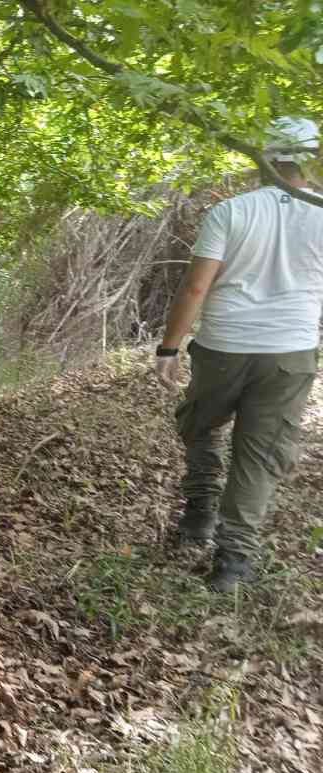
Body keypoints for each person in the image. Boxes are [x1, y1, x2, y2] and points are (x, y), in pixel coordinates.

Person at [155, 116, 321, 592]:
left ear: (264, 157)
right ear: (309, 160)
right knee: (258, 454)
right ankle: (232, 563)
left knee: (201, 425)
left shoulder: (232, 211)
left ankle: (199, 516)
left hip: (224, 345)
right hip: (289, 352)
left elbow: (196, 286)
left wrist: (169, 348)